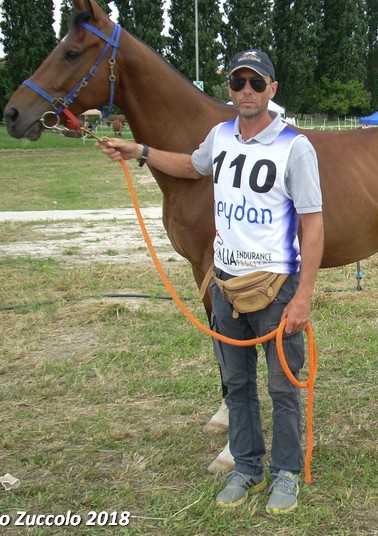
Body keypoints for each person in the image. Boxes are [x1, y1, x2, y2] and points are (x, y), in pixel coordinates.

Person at [99, 49, 324, 514]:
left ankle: (285, 472)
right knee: (236, 383)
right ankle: (247, 467)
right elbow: (191, 166)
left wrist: (303, 296)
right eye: (238, 82)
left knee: (283, 386)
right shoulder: (220, 136)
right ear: (230, 88)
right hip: (226, 284)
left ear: (272, 89)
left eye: (256, 83)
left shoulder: (294, 146)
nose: (246, 91)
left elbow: (313, 223)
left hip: (275, 285)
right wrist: (139, 151)